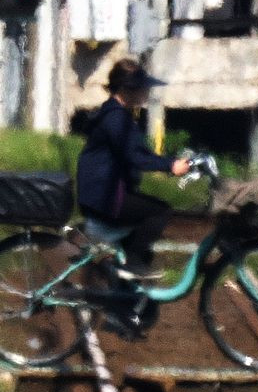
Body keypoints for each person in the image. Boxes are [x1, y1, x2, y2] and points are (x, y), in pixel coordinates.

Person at [75, 59, 197, 321]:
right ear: (126, 89)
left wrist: (170, 162)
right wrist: (170, 166)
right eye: (142, 88)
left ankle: (123, 305)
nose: (146, 93)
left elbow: (138, 152)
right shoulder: (116, 118)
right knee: (159, 212)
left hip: (103, 194)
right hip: (105, 197)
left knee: (140, 242)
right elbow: (135, 157)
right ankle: (131, 266)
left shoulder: (116, 114)